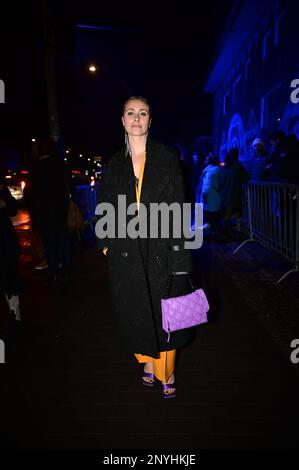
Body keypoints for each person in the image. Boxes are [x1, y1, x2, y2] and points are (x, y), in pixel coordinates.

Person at [97, 96, 194, 399]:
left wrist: (181, 258)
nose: (136, 118)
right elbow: (104, 207)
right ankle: (148, 363)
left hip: (162, 249)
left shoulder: (167, 158)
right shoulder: (113, 164)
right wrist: (106, 245)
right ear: (122, 120)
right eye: (130, 113)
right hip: (127, 253)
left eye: (143, 113)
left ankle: (167, 370)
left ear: (150, 121)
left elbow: (180, 209)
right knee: (136, 313)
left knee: (169, 316)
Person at [0, 167, 21, 321]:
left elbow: (13, 209)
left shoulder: (1, 188)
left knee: (9, 275)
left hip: (4, 240)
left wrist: (5, 203)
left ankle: (14, 310)